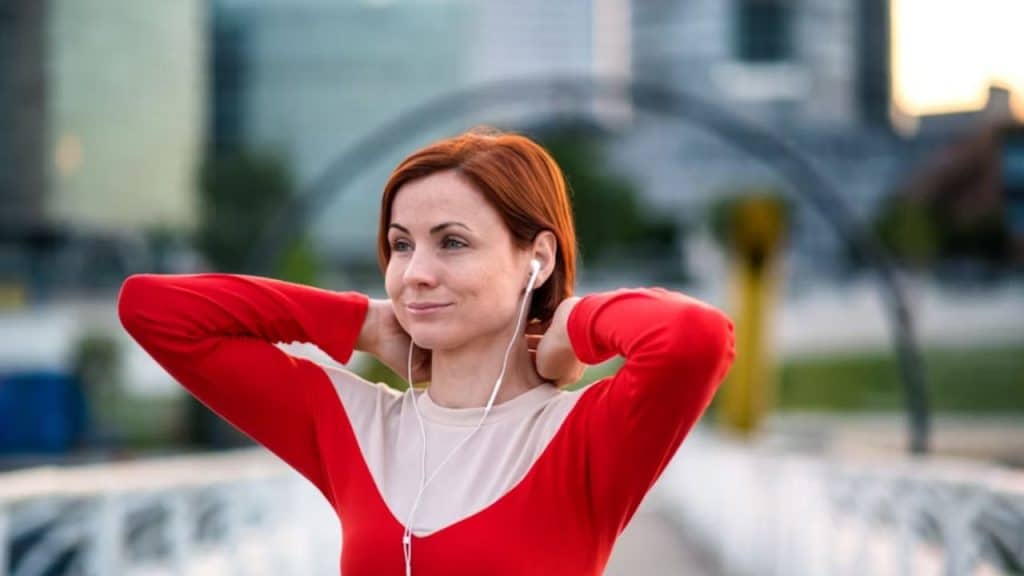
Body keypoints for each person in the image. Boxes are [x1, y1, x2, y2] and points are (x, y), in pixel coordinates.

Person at [118, 127, 736, 575]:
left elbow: (693, 339)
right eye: (401, 245)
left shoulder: (585, 437)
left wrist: (570, 327)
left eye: (453, 243)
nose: (415, 272)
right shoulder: (352, 424)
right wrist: (360, 321)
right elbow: (154, 312)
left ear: (537, 257)